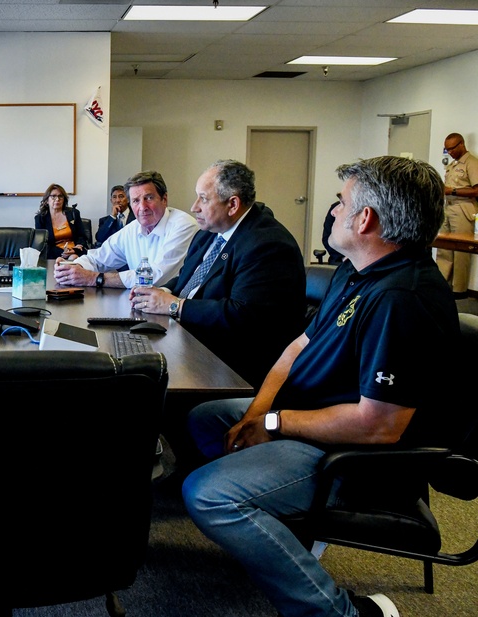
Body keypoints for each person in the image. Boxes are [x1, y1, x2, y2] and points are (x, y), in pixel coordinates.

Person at [182, 155, 460, 617]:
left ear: (365, 219)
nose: (333, 212)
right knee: (205, 420)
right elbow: (296, 348)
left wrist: (275, 422)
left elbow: (378, 427)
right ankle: (275, 544)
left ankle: (341, 613)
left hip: (358, 459)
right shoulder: (356, 270)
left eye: (340, 202)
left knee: (208, 494)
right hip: (309, 419)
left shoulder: (402, 298)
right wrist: (258, 414)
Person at [130, 160, 306, 389]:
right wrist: (161, 293)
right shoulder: (209, 232)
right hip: (192, 341)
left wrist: (174, 306)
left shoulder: (267, 244)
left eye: (203, 198)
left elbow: (242, 316)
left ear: (232, 204)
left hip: (231, 366)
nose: (194, 207)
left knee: (140, 385)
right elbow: (186, 281)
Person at [54, 170, 198, 289]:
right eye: (135, 201)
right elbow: (98, 258)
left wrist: (95, 278)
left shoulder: (184, 226)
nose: (142, 207)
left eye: (148, 198)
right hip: (141, 306)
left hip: (174, 311)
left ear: (164, 199)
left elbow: (154, 277)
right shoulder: (132, 229)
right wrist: (72, 268)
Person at [437, 132, 478, 296]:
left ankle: (459, 290)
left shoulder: (472, 163)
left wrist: (452, 190)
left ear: (462, 144)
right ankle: (442, 284)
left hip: (463, 208)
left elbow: (476, 190)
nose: (450, 152)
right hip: (448, 208)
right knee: (443, 248)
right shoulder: (453, 165)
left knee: (461, 252)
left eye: (453, 148)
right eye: (447, 150)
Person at [33, 184, 89, 260]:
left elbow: (81, 236)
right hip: (54, 254)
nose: (57, 199)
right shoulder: (40, 218)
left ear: (64, 199)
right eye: (53, 196)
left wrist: (74, 250)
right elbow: (43, 244)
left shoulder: (73, 214)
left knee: (74, 257)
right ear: (47, 200)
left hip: (75, 250)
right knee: (71, 258)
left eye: (60, 196)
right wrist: (64, 252)